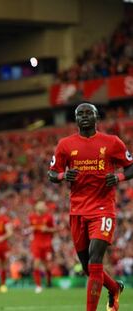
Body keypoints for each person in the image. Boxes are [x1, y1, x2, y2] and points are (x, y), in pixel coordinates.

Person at [48, 102, 133, 311]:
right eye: (80, 114)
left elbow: (131, 167)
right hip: (77, 210)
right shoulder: (65, 145)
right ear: (76, 119)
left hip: (103, 208)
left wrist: (119, 176)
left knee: (95, 261)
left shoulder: (112, 142)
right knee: (88, 267)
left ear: (97, 118)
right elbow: (52, 173)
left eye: (89, 113)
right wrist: (62, 175)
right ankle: (114, 288)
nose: (84, 117)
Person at [28, 201, 55, 294]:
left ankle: (48, 282)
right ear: (37, 207)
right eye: (43, 205)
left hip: (47, 244)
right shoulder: (31, 217)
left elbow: (54, 229)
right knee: (36, 264)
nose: (44, 207)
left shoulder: (49, 217)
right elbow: (27, 229)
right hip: (36, 244)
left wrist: (47, 229)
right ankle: (38, 286)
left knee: (47, 266)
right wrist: (30, 229)